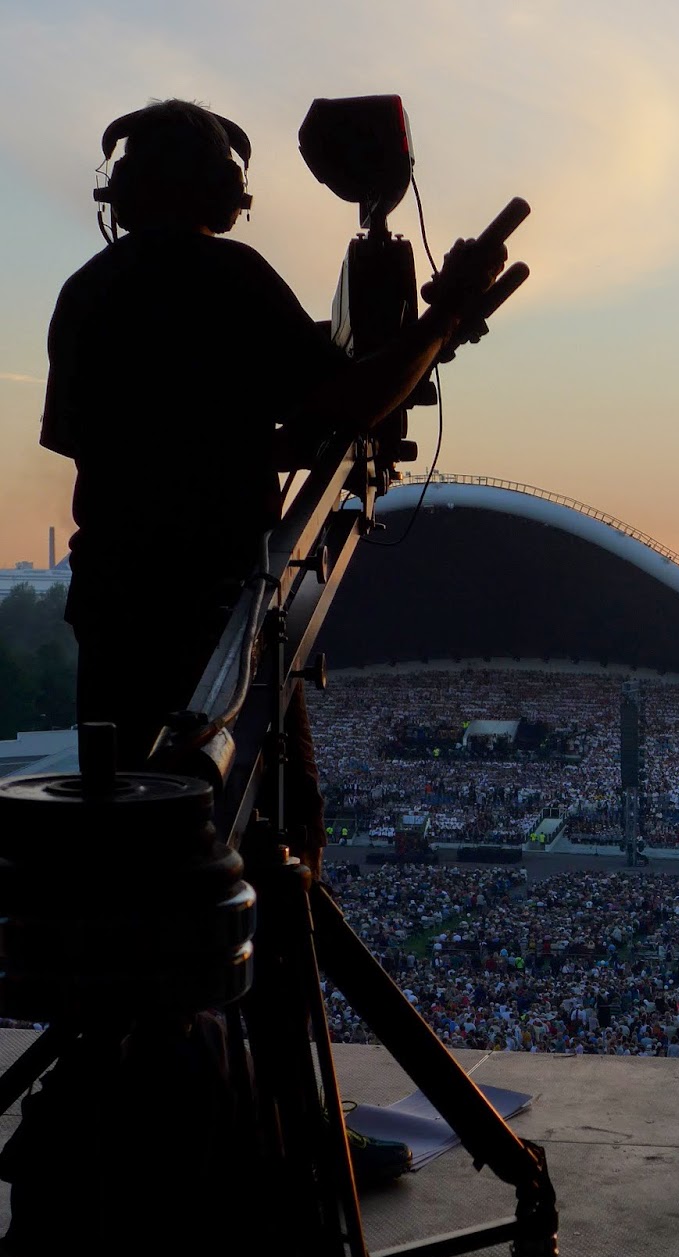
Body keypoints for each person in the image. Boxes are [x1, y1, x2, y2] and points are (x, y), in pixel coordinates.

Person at [40, 97, 505, 865]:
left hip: (113, 615)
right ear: (223, 193)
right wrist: (443, 317)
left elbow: (142, 437)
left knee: (127, 845)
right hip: (219, 618)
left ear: (121, 194)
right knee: (278, 840)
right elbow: (347, 399)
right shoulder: (229, 278)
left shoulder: (85, 291)